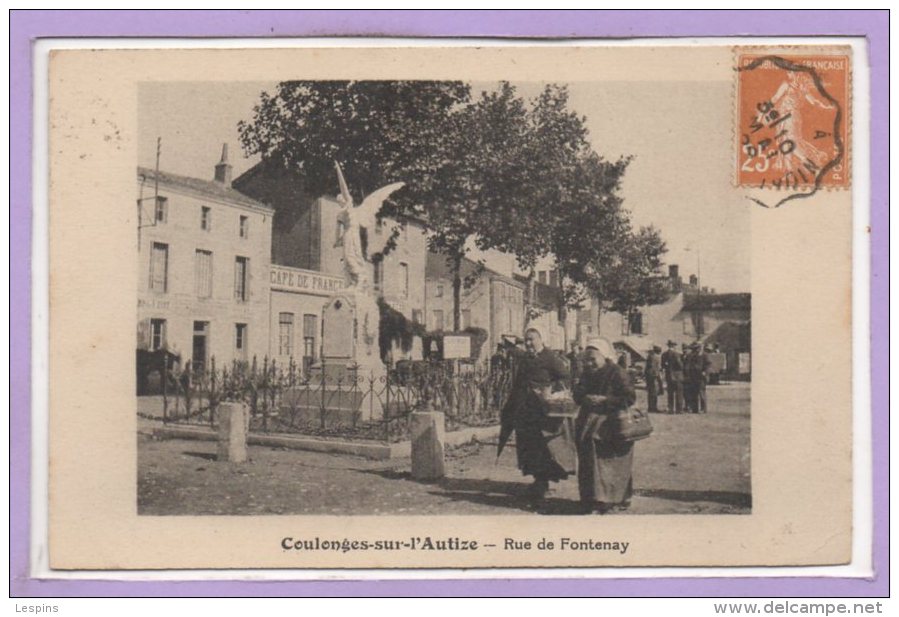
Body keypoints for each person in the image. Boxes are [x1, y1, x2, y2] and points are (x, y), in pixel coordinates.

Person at [501, 327, 573, 502]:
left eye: (531, 339)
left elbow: (565, 377)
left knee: (544, 448)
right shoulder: (525, 359)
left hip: (544, 412)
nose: (528, 343)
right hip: (526, 411)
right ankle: (537, 480)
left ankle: (543, 484)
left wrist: (550, 390)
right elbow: (518, 382)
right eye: (526, 340)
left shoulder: (550, 357)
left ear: (541, 339)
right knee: (529, 447)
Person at [573, 338, 637, 514]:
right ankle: (592, 499)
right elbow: (577, 393)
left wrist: (606, 400)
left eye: (593, 359)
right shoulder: (586, 373)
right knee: (589, 462)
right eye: (587, 359)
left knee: (610, 463)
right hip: (588, 423)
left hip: (611, 424)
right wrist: (583, 397)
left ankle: (613, 500)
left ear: (604, 356)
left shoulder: (617, 372)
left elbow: (629, 397)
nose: (589, 363)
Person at [684, 342, 711, 413]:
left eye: (696, 348)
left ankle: (703, 409)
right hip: (693, 376)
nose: (695, 350)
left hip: (701, 377)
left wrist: (705, 372)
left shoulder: (704, 355)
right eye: (694, 349)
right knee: (694, 393)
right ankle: (694, 408)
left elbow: (708, 365)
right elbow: (688, 365)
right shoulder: (691, 355)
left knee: (701, 392)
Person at [660, 340, 684, 414]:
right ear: (674, 346)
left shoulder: (664, 354)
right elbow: (679, 364)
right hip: (677, 376)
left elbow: (663, 365)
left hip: (669, 376)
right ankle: (679, 409)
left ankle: (671, 409)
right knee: (679, 393)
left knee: (670, 393)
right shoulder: (676, 354)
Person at [644, 345, 664, 413]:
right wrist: (658, 376)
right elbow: (655, 368)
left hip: (649, 377)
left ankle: (650, 407)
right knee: (654, 393)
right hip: (654, 377)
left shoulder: (650, 356)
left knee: (650, 393)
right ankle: (653, 408)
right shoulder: (656, 357)